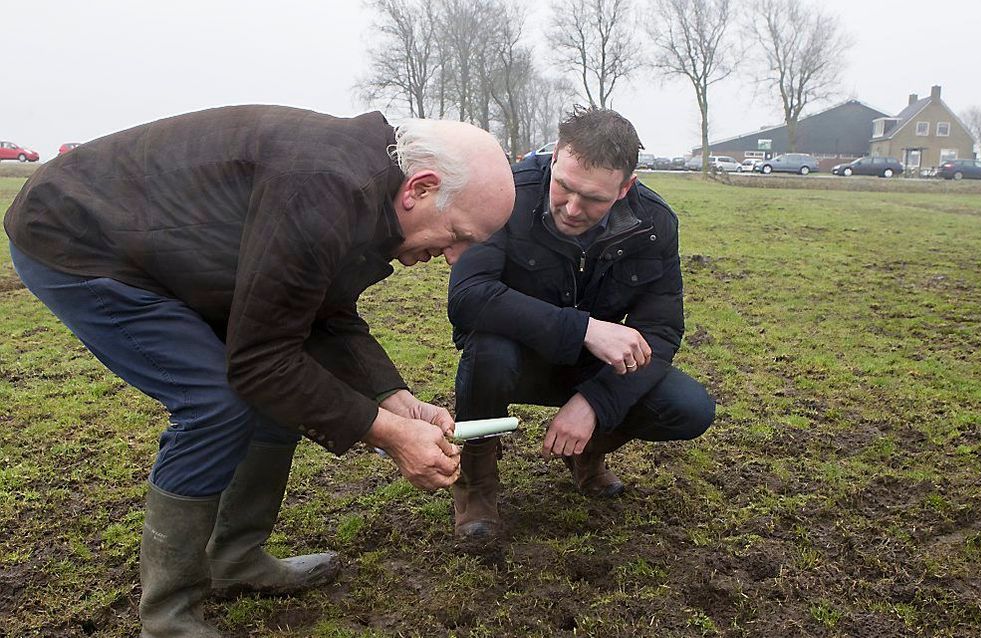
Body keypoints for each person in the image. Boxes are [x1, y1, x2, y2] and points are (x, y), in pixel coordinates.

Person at [4, 105, 514, 636]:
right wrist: (389, 435)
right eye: (459, 234)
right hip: (78, 234)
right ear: (421, 188)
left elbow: (321, 310)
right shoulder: (323, 186)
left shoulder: (367, 193)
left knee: (280, 391)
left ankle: (237, 557)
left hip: (166, 246)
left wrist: (392, 398)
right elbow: (261, 360)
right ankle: (168, 616)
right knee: (214, 405)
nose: (457, 258)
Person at [447, 107, 715, 539]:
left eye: (592, 198)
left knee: (688, 408)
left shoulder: (654, 224)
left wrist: (595, 402)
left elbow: (661, 331)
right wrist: (587, 329)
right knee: (489, 349)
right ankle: (476, 481)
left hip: (590, 364)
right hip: (512, 358)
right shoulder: (505, 195)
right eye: (564, 187)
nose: (571, 208)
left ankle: (587, 451)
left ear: (625, 187)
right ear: (554, 157)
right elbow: (467, 297)